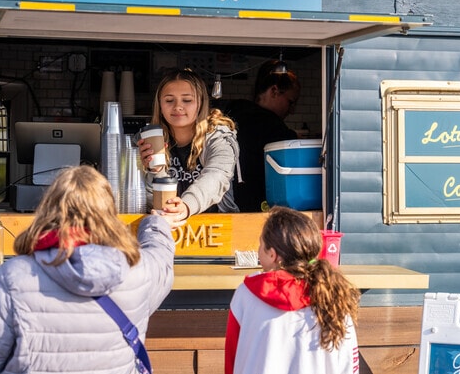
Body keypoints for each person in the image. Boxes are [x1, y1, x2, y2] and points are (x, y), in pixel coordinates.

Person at [0, 166, 176, 374]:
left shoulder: (15, 277)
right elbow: (161, 256)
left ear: (48, 208)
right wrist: (157, 224)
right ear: (109, 213)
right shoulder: (138, 271)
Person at [225, 206, 360, 374]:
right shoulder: (334, 293)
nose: (258, 251)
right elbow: (349, 363)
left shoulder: (245, 295)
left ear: (272, 255)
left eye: (260, 245)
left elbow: (232, 359)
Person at [138, 68, 240, 220]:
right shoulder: (148, 140)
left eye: (187, 100)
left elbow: (217, 176)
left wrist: (186, 206)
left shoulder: (219, 138)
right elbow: (140, 201)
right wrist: (155, 171)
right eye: (169, 100)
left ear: (200, 103)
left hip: (215, 229)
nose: (178, 106)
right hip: (167, 227)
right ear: (159, 105)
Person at [225, 60, 301, 212]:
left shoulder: (233, 114)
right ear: (274, 91)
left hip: (229, 202)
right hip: (259, 206)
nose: (292, 110)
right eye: (290, 102)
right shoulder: (272, 128)